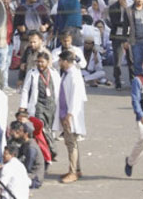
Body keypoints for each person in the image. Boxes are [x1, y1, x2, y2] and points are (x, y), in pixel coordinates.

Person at [55, 50, 88, 184]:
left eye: (60, 60)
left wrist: (69, 115)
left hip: (70, 115)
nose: (59, 63)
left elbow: (75, 97)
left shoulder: (74, 76)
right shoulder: (68, 74)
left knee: (71, 144)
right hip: (65, 112)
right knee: (71, 142)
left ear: (66, 61)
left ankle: (73, 172)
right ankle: (76, 169)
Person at [19, 51, 59, 159]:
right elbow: (25, 90)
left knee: (49, 129)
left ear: (48, 62)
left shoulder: (54, 73)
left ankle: (47, 150)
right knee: (42, 128)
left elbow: (58, 90)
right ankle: (51, 150)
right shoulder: (32, 73)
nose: (40, 64)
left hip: (51, 106)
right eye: (38, 62)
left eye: (42, 62)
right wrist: (23, 106)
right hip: (38, 106)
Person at [106, 0, 134, 90]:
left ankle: (133, 80)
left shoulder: (131, 6)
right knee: (117, 60)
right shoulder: (113, 7)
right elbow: (114, 22)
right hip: (117, 35)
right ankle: (117, 81)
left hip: (128, 34)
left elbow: (132, 21)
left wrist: (126, 9)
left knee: (131, 59)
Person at [9, 121, 44, 189]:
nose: (18, 132)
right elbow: (17, 155)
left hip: (34, 179)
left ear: (26, 133)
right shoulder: (25, 143)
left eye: (20, 131)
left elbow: (27, 168)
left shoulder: (31, 148)